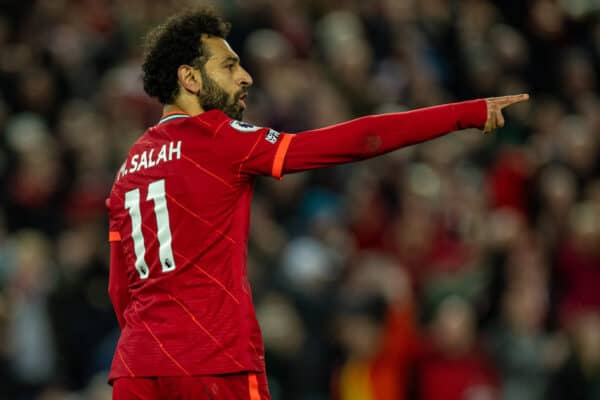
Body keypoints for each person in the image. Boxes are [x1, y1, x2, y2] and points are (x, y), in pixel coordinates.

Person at [105, 8, 529, 400]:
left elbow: (119, 290)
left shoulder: (126, 172)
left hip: (136, 366)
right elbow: (358, 140)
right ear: (190, 79)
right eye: (230, 65)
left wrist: (154, 344)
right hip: (212, 360)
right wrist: (464, 113)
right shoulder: (218, 138)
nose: (246, 77)